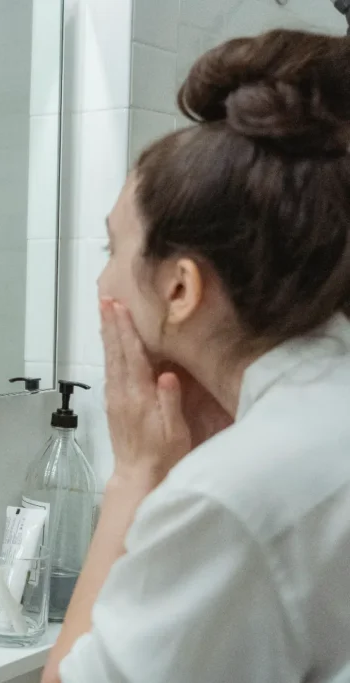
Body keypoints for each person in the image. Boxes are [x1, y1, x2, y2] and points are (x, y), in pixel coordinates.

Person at [44, 29, 350, 683]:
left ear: (179, 289)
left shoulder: (232, 495)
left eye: (112, 250)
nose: (101, 282)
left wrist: (136, 473)